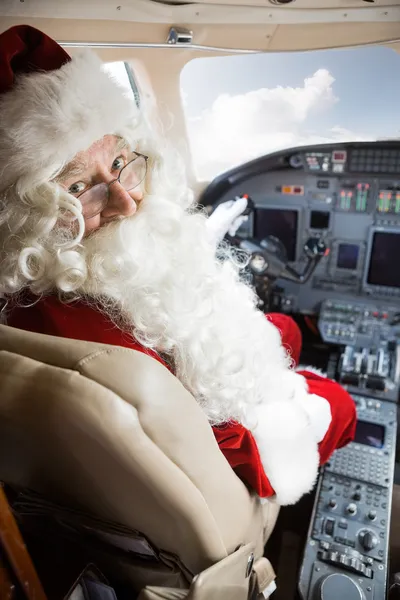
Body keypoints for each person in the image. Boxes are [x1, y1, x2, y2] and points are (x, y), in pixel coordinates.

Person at [0, 25, 356, 506]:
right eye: (79, 188)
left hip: (196, 362)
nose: (128, 201)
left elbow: (149, 289)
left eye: (121, 161)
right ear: (27, 213)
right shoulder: (97, 342)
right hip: (236, 439)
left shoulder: (40, 293)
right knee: (342, 403)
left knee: (288, 328)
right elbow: (230, 444)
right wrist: (304, 404)